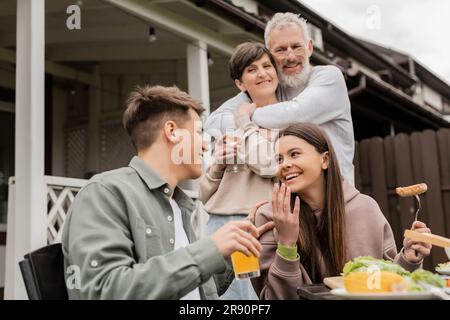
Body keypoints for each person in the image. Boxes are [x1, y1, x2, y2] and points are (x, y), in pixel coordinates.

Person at [61, 85, 273, 299]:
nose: (205, 146)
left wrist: (231, 250)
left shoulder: (176, 204)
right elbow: (104, 290)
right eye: (200, 133)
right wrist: (210, 249)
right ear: (172, 132)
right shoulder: (105, 192)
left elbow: (194, 289)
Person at [252, 123, 432, 300]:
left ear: (325, 160)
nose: (285, 165)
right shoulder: (268, 217)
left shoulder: (366, 209)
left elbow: (391, 285)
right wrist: (286, 243)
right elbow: (272, 298)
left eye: (294, 154)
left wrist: (408, 259)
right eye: (279, 159)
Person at [205, 12, 355, 186]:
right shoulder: (273, 87)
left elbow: (294, 113)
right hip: (296, 203)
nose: (290, 56)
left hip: (337, 196)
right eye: (281, 50)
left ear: (310, 47)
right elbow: (214, 123)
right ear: (271, 56)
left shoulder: (329, 77)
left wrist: (245, 119)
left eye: (296, 46)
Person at [199, 42, 280, 300]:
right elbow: (203, 193)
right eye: (252, 69)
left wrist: (244, 121)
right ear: (240, 84)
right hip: (219, 224)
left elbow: (269, 166)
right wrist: (218, 164)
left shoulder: (287, 123)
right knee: (213, 299)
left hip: (256, 224)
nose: (263, 73)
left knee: (253, 300)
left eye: (267, 66)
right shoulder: (223, 120)